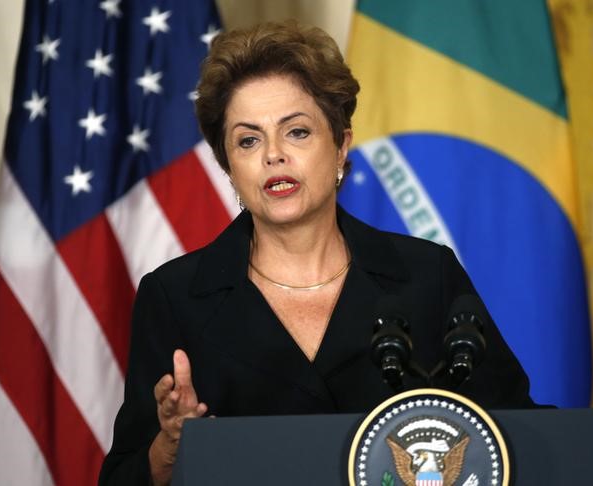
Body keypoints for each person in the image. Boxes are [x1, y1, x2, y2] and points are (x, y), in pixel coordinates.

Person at [98, 20, 535, 486]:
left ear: (341, 145)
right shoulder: (176, 296)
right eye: (248, 140)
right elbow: (122, 476)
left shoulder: (427, 275)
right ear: (229, 167)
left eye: (297, 132)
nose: (273, 155)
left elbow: (517, 434)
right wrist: (169, 447)